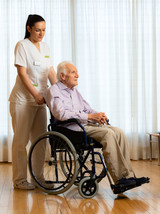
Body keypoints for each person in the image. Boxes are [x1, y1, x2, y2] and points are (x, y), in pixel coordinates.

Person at [44, 61, 149, 191]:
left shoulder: (74, 92)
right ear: (62, 76)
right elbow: (61, 114)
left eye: (77, 72)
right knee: (108, 134)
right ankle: (119, 180)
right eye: (73, 72)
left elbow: (87, 109)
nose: (77, 75)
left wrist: (98, 115)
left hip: (83, 125)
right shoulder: (54, 91)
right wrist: (88, 117)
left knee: (119, 131)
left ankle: (128, 176)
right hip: (70, 129)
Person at [9, 14, 57, 190]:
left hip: (40, 102)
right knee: (21, 141)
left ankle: (39, 178)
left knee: (40, 140)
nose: (41, 33)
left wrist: (60, 92)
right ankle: (20, 180)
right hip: (23, 101)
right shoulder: (22, 45)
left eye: (44, 30)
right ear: (29, 28)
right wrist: (36, 94)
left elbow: (50, 72)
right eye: (37, 30)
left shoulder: (45, 47)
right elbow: (22, 74)